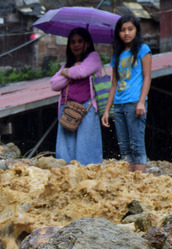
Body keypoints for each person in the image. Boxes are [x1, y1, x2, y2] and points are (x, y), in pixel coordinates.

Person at [101, 14, 152, 172]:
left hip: (135, 103)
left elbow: (147, 77)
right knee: (124, 147)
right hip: (119, 105)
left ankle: (139, 183)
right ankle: (129, 184)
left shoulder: (143, 50)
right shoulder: (117, 55)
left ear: (137, 30)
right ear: (118, 33)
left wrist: (141, 102)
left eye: (130, 29)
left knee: (137, 145)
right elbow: (114, 84)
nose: (127, 33)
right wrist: (107, 110)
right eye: (122, 30)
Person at [50, 27, 103, 166]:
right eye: (73, 42)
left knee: (86, 151)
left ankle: (88, 184)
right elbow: (54, 84)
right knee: (65, 153)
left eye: (80, 41)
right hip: (66, 109)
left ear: (88, 43)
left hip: (87, 108)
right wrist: (69, 71)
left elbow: (81, 72)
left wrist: (66, 72)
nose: (76, 45)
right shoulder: (66, 65)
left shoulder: (94, 58)